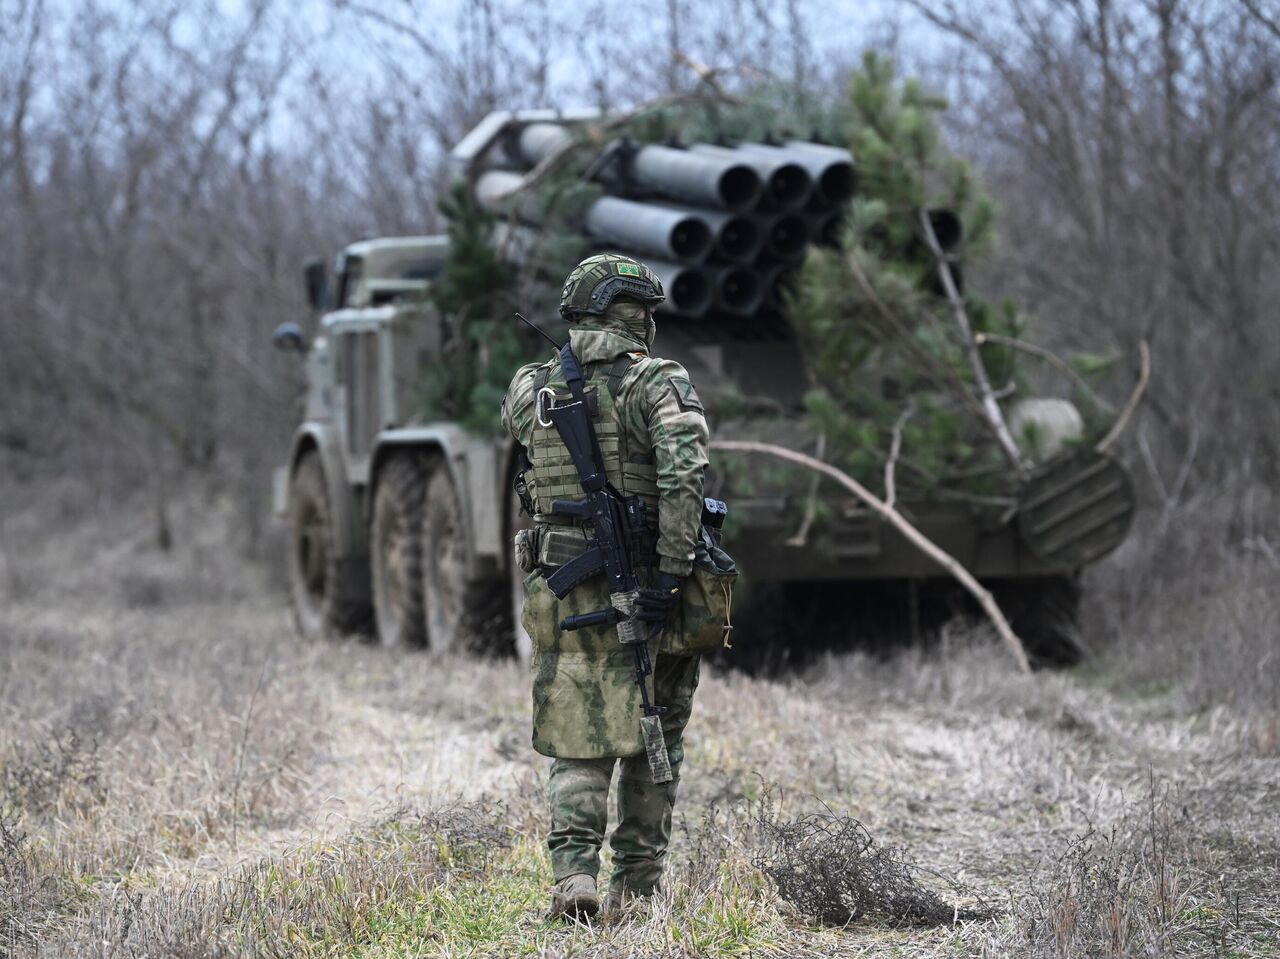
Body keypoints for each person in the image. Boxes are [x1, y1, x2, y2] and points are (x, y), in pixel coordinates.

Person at [501, 253, 710, 919]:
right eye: (646, 309)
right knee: (655, 733)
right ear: (631, 311)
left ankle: (573, 877)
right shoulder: (658, 382)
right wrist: (675, 575)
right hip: (649, 586)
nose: (652, 321)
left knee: (577, 735)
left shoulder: (530, 387)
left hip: (562, 591)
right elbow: (685, 477)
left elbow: (525, 474)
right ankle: (638, 889)